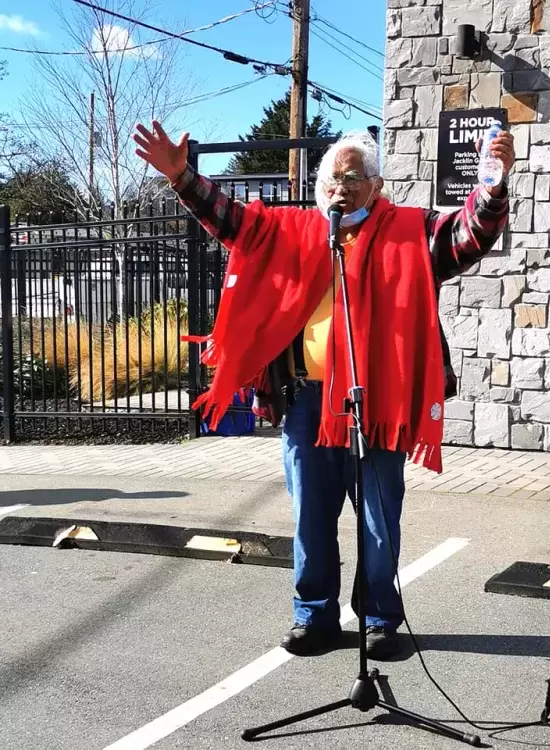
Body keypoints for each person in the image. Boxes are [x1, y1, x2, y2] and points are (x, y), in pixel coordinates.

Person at [133, 121, 514, 660]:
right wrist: (182, 176)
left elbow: (468, 234)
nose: (340, 188)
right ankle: (314, 615)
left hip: (378, 401)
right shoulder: (290, 229)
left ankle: (380, 618)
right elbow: (233, 222)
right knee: (310, 515)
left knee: (380, 519)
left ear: (377, 186)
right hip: (305, 399)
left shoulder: (411, 230)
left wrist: (493, 186)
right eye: (331, 180)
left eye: (353, 177)